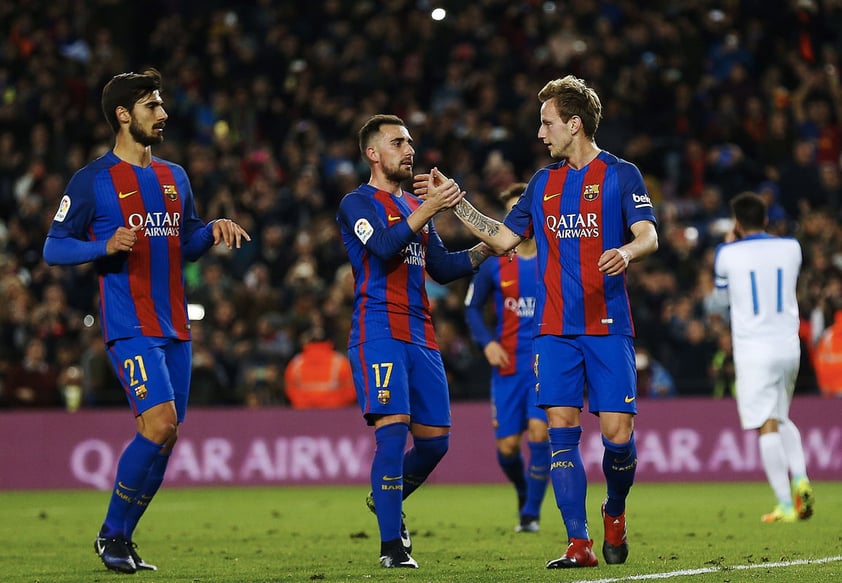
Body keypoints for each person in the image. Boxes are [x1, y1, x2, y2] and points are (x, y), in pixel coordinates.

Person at [416, 75, 658, 569]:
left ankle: (614, 510)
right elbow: (503, 239)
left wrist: (627, 251)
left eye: (547, 123)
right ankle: (578, 542)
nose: (541, 132)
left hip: (608, 327)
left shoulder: (620, 174)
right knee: (559, 431)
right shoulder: (543, 183)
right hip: (554, 331)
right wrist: (455, 201)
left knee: (617, 436)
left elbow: (649, 234)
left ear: (574, 124)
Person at [42, 68, 251, 574]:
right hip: (128, 324)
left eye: (161, 104)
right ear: (123, 114)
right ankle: (110, 533)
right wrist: (103, 245)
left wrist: (214, 230)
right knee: (159, 425)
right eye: (152, 105)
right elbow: (54, 246)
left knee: (167, 433)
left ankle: (123, 540)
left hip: (175, 326)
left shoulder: (175, 176)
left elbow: (188, 240)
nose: (163, 113)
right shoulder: (92, 180)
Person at [336, 114, 492, 569]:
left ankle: (385, 497)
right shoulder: (356, 203)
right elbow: (383, 247)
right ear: (372, 153)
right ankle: (391, 546)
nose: (409, 150)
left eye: (410, 142)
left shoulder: (415, 208)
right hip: (377, 331)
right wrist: (431, 208)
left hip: (421, 334)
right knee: (393, 431)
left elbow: (441, 267)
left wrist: (488, 248)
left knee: (435, 442)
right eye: (398, 142)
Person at [713, 191, 815, 523]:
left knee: (765, 425)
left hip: (754, 349)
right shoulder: (791, 248)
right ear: (767, 219)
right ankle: (800, 478)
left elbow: (719, 299)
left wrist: (731, 243)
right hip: (788, 346)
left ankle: (785, 504)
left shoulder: (726, 253)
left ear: (737, 223)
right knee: (782, 416)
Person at [463, 182, 550, 533]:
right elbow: (471, 308)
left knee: (539, 433)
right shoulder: (495, 264)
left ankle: (530, 515)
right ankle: (522, 490)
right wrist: (486, 342)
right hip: (508, 364)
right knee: (508, 447)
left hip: (545, 361)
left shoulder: (553, 256)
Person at [283, 326, 357, 409]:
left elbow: (289, 388)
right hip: (335, 410)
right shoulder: (340, 362)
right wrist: (337, 402)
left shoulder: (296, 362)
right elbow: (352, 389)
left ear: (307, 343)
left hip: (303, 411)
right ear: (329, 342)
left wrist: (301, 402)